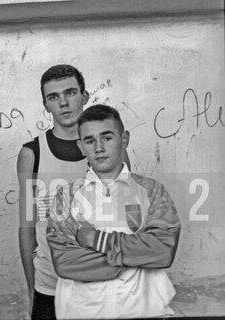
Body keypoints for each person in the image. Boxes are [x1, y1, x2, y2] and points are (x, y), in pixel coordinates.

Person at [17, 65, 130, 319]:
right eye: (53, 97)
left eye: (70, 93)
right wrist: (31, 287)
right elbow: (26, 226)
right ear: (45, 104)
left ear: (85, 96)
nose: (64, 103)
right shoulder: (32, 153)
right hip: (50, 285)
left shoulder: (112, 148)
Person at [46, 104, 181, 319]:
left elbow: (163, 251)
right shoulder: (66, 197)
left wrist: (96, 240)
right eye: (90, 141)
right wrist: (135, 260)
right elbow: (66, 263)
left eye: (107, 138)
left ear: (124, 139)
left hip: (143, 313)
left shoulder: (152, 191)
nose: (98, 147)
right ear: (81, 147)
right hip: (82, 313)